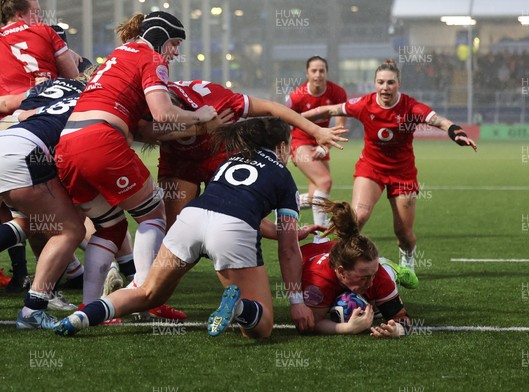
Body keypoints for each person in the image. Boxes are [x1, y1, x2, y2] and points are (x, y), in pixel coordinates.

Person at [54, 117, 315, 338]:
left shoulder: (229, 161)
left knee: (147, 292)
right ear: (281, 147)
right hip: (231, 231)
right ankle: (238, 308)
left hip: (190, 220)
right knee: (261, 327)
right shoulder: (283, 175)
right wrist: (297, 301)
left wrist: (281, 232)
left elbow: (232, 206)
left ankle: (81, 318)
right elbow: (289, 249)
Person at [53, 12, 221, 319]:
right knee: (154, 215)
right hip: (101, 141)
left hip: (68, 145)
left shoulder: (118, 54)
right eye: (174, 43)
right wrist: (200, 116)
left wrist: (189, 129)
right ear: (159, 36)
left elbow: (144, 128)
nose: (176, 52)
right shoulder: (151, 57)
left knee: (111, 226)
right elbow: (161, 113)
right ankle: (145, 296)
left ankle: (90, 307)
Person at [303, 60, 477, 275]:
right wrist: (294, 118)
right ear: (375, 84)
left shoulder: (411, 107)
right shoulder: (364, 104)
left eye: (390, 83)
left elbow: (439, 121)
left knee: (403, 232)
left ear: (398, 84)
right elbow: (329, 110)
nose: (385, 87)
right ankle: (344, 264)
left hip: (402, 174)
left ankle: (407, 258)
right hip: (371, 169)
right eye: (381, 82)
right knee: (358, 217)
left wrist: (456, 132)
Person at [157, 79, 349, 229]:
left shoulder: (218, 100)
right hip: (178, 161)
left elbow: (272, 108)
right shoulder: (153, 101)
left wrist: (316, 131)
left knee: (237, 218)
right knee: (173, 228)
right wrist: (201, 129)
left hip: (219, 155)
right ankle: (143, 275)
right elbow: (145, 133)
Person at [0, 71, 89, 329]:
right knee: (70, 230)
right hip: (26, 151)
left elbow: (15, 108)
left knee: (31, 224)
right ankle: (32, 310)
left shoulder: (51, 85)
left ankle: (45, 295)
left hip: (8, 138)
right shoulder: (96, 96)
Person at [299, 199, 413, 338]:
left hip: (356, 266)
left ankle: (389, 269)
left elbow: (403, 319)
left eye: (372, 275)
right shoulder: (318, 279)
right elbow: (310, 324)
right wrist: (346, 328)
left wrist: (397, 330)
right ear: (341, 272)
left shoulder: (376, 274)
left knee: (378, 294)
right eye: (364, 278)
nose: (371, 282)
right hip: (312, 256)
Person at [286, 56, 347, 241]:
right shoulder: (296, 96)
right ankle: (320, 235)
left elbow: (340, 126)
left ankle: (286, 205)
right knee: (325, 181)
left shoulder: (337, 93)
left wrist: (325, 147)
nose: (318, 74)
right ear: (307, 73)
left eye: (322, 70)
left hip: (322, 141)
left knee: (317, 195)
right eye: (314, 71)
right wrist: (285, 149)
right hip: (300, 141)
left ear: (327, 72)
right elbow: (284, 122)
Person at [0, 0, 79, 95]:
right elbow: (75, 79)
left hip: (9, 103)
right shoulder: (45, 31)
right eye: (36, 13)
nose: (40, 18)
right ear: (20, 15)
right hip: (47, 98)